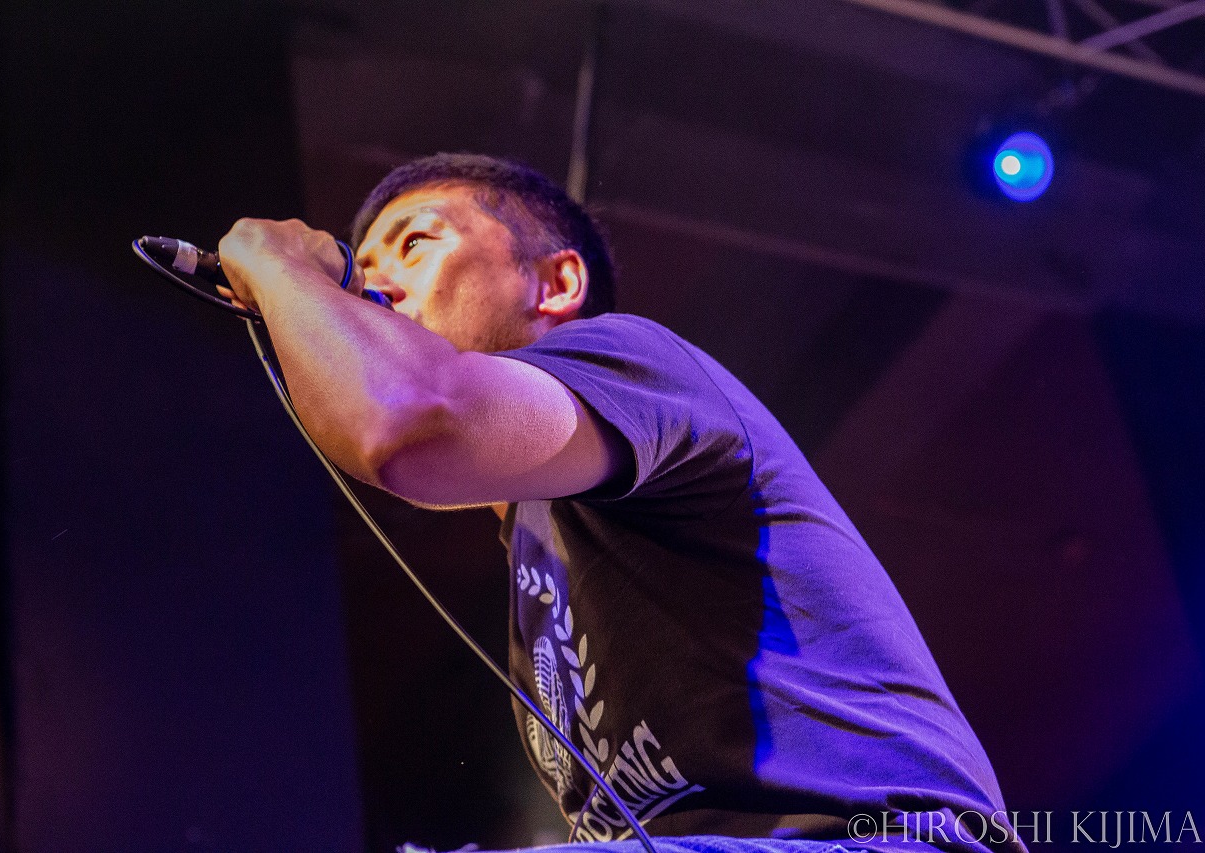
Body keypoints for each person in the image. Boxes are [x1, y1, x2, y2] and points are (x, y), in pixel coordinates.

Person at [215, 153, 1026, 853]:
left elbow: (402, 421)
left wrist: (275, 260)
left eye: (415, 242)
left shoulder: (633, 358)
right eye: (360, 265)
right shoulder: (536, 557)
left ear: (556, 282)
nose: (372, 285)